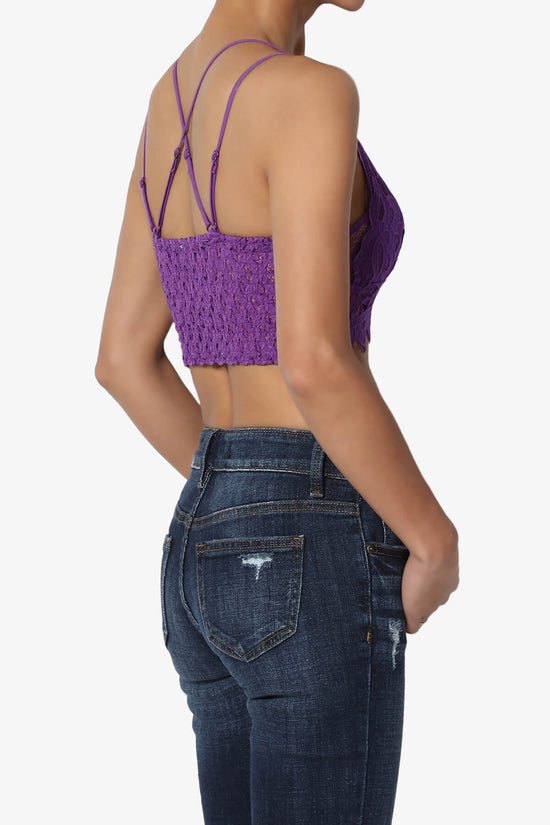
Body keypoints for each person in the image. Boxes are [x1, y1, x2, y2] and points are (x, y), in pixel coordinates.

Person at [95, 1, 460, 822]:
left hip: (198, 542)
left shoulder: (171, 97)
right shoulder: (309, 93)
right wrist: (433, 540)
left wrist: (243, 496)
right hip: (311, 554)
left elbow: (122, 359)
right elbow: (315, 360)